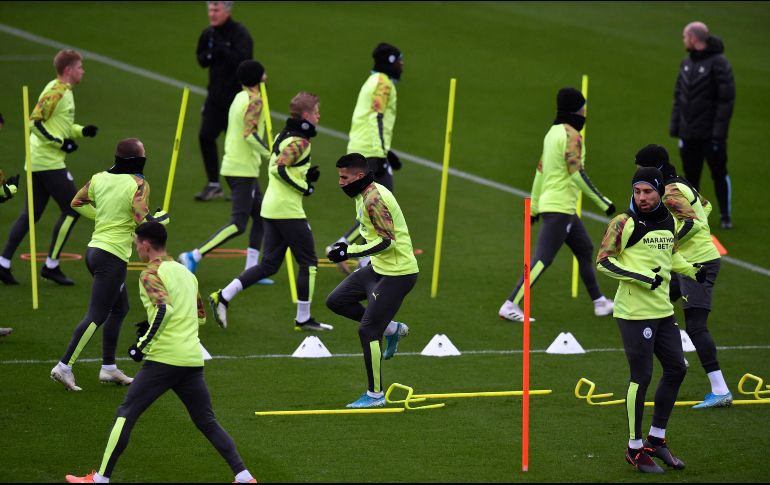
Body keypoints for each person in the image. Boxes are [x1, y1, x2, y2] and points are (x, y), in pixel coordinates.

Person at [64, 222, 257, 484]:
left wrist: (140, 345)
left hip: (164, 359)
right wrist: (154, 321)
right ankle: (244, 477)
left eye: (136, 242)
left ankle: (99, 479)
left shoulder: (150, 274)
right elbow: (199, 317)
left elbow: (164, 310)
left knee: (126, 413)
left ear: (145, 244)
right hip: (191, 360)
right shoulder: (187, 274)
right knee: (207, 421)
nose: (135, 246)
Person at [597, 167, 706, 474]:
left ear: (659, 192)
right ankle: (634, 448)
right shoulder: (624, 222)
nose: (641, 197)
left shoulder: (670, 220)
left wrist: (691, 270)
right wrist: (644, 278)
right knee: (641, 377)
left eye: (647, 191)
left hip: (662, 312)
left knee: (677, 368)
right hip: (633, 314)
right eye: (637, 192)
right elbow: (604, 261)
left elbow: (669, 257)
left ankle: (656, 440)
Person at [50, 138, 168, 391]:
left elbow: (76, 203)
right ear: (137, 160)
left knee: (120, 308)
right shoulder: (138, 183)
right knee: (97, 314)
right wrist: (159, 221)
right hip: (111, 257)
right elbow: (140, 219)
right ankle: (64, 366)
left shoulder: (98, 178)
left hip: (95, 252)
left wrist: (104, 216)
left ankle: (109, 368)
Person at [209, 92, 332, 332]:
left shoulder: (283, 135)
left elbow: (285, 167)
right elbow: (278, 169)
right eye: (316, 111)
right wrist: (306, 187)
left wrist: (306, 174)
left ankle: (222, 296)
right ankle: (303, 319)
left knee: (269, 265)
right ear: (306, 115)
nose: (319, 115)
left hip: (271, 208)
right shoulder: (301, 142)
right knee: (309, 262)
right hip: (288, 211)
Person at [498, 87, 615, 323]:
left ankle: (599, 302)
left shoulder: (552, 133)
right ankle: (511, 304)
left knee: (584, 249)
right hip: (560, 208)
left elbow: (540, 171)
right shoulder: (572, 136)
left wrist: (533, 208)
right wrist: (603, 202)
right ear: (575, 110)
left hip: (561, 208)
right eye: (583, 109)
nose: (584, 113)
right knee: (542, 259)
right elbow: (576, 173)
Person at [634, 144, 731, 408]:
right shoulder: (678, 183)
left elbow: (692, 222)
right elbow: (706, 208)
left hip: (697, 264)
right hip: (684, 263)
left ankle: (720, 390)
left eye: (640, 167)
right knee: (654, 304)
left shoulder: (670, 190)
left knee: (696, 325)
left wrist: (669, 243)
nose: (638, 172)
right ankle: (675, 357)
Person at [326, 153, 417, 408]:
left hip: (398, 274)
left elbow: (386, 241)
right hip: (379, 268)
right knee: (336, 301)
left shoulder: (375, 199)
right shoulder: (363, 195)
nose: (340, 182)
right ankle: (391, 328)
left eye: (344, 177)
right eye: (339, 177)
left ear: (359, 176)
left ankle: (375, 395)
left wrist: (348, 251)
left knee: (367, 330)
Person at [0, 50, 98, 286]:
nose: (83, 70)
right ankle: (51, 265)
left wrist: (81, 131)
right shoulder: (57, 91)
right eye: (80, 67)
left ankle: (2, 263)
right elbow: (34, 123)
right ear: (68, 70)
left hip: (40, 161)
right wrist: (60, 143)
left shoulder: (65, 91)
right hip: (47, 162)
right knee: (74, 208)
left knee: (30, 214)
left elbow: (60, 125)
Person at [178, 60, 272, 284]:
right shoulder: (254, 100)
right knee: (238, 224)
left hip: (237, 165)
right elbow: (249, 134)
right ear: (259, 77)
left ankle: (252, 271)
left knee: (260, 216)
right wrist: (272, 154)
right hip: (242, 170)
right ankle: (194, 255)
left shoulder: (240, 97)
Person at [326, 42, 404, 275]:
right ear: (391, 62)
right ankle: (346, 248)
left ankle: (361, 257)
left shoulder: (373, 81)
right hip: (371, 151)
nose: (402, 65)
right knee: (382, 206)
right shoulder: (383, 83)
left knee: (374, 205)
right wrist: (380, 153)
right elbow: (375, 117)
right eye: (400, 60)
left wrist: (387, 151)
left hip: (367, 148)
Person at [670, 21, 736, 229]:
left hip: (710, 135)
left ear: (694, 38)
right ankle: (696, 217)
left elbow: (726, 100)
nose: (683, 40)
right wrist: (676, 128)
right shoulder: (686, 62)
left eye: (684, 36)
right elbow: (679, 96)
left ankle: (725, 215)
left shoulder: (719, 63)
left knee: (718, 173)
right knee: (691, 178)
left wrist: (718, 133)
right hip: (689, 133)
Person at [195, 0, 254, 201]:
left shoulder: (240, 34)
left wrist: (224, 50)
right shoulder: (208, 33)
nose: (212, 13)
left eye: (216, 9)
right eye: (210, 9)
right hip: (214, 98)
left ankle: (241, 189)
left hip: (236, 100)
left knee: (237, 144)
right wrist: (214, 52)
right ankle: (213, 184)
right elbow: (201, 59)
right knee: (205, 137)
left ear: (227, 11)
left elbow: (245, 60)